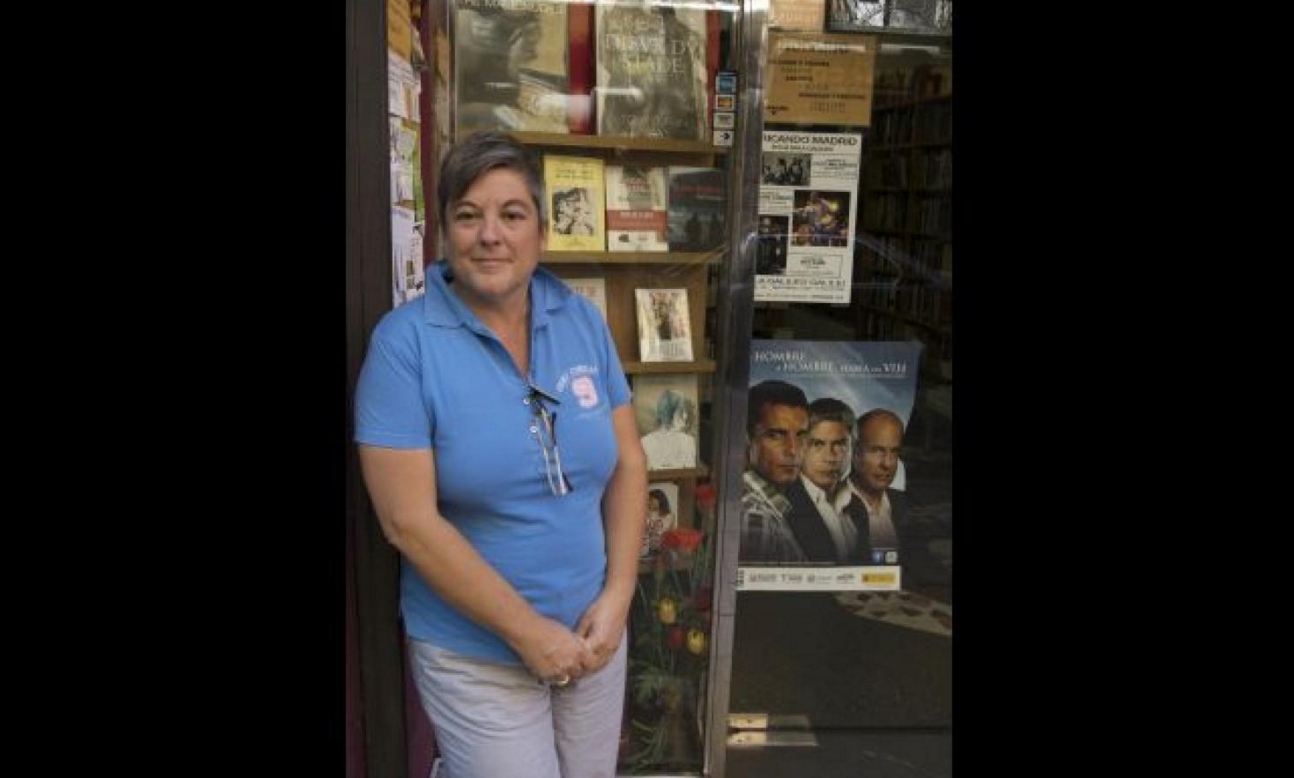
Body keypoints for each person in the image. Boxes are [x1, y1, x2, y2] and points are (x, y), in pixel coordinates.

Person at [354, 130, 648, 778]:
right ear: (444, 233)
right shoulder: (404, 347)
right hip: (476, 652)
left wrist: (620, 593)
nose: (491, 234)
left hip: (594, 633)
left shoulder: (580, 319)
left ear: (541, 232)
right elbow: (407, 522)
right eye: (469, 215)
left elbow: (627, 462)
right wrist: (526, 631)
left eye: (512, 215)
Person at [784, 398, 865, 564]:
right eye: (817, 444)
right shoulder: (782, 506)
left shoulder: (859, 505)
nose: (829, 456)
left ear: (853, 448)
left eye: (840, 444)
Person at [738, 380, 810, 563]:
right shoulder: (755, 516)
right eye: (776, 435)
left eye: (801, 436)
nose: (793, 450)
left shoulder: (771, 506)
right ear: (747, 440)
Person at [842, 408, 909, 566]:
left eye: (894, 452)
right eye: (877, 451)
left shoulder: (904, 504)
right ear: (855, 452)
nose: (887, 463)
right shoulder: (830, 504)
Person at [639, 389, 697, 470]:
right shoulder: (645, 442)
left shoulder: (688, 442)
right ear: (669, 413)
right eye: (681, 411)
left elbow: (690, 476)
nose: (685, 416)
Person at [641, 488, 675, 557]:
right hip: (648, 547)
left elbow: (671, 533)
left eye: (651, 499)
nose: (649, 502)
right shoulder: (645, 514)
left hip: (663, 548)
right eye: (648, 500)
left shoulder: (670, 516)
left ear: (660, 500)